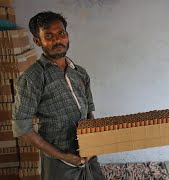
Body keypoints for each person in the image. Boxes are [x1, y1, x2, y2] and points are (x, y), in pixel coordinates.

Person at [12, 11, 104, 180]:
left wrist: (94, 143)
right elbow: (22, 128)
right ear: (37, 41)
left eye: (61, 33)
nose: (57, 40)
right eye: (49, 36)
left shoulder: (80, 73)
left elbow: (89, 112)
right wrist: (63, 155)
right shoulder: (33, 79)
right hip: (61, 163)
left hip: (90, 156)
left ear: (67, 35)